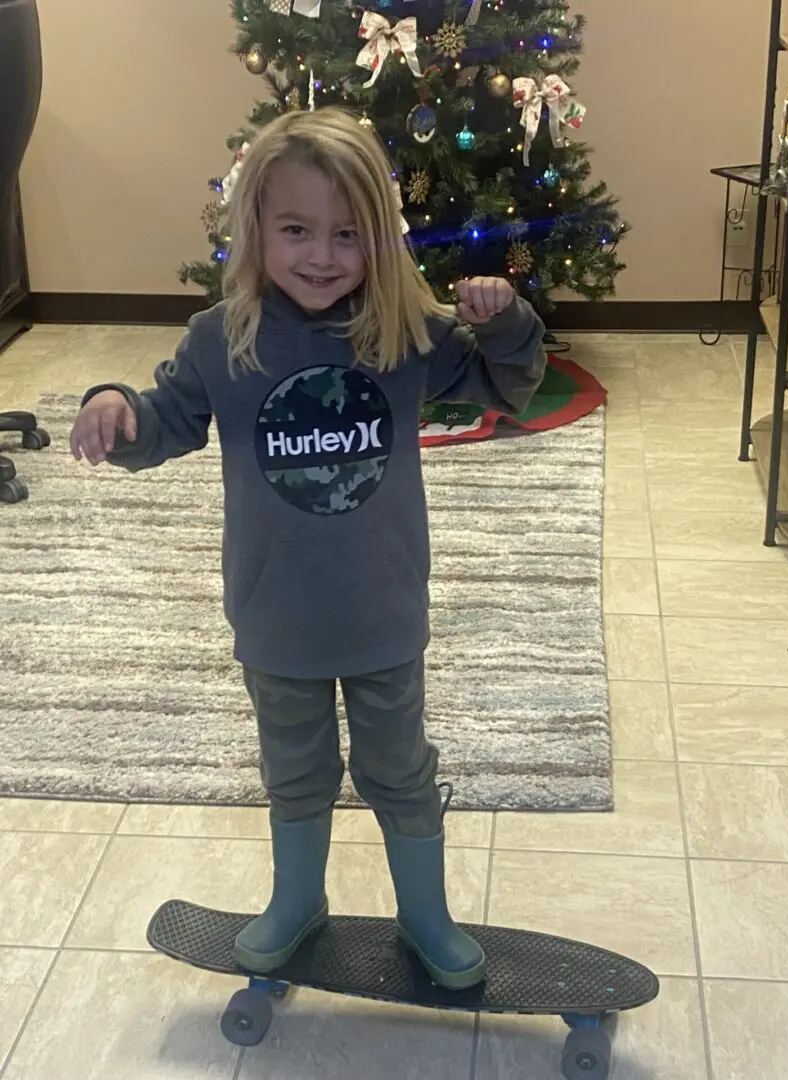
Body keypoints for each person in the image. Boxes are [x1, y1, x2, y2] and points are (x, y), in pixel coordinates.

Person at [69, 107, 547, 990]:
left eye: (348, 235)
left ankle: (424, 914)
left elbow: (510, 389)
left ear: (381, 241)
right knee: (294, 769)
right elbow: (166, 418)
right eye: (296, 230)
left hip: (382, 608)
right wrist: (115, 405)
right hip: (275, 612)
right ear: (253, 227)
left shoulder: (410, 333)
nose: (322, 256)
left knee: (398, 768)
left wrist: (509, 319)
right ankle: (298, 900)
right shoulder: (222, 338)